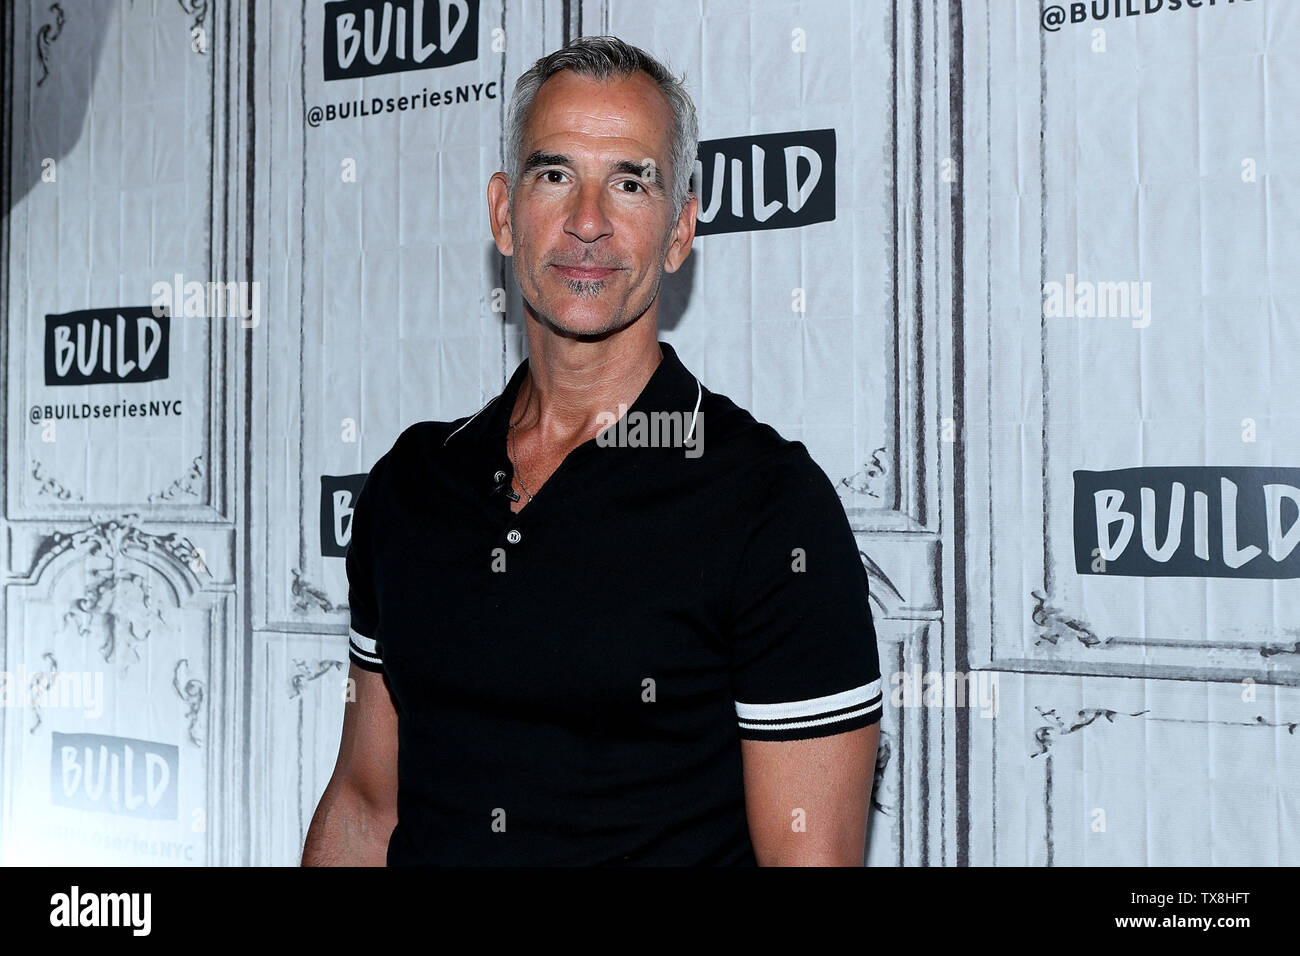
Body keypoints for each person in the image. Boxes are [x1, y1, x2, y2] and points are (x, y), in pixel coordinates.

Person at [302, 35, 882, 867]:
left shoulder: (769, 505)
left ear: (680, 231)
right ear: (504, 214)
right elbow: (365, 803)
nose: (587, 222)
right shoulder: (409, 487)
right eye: (554, 174)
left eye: (631, 182)